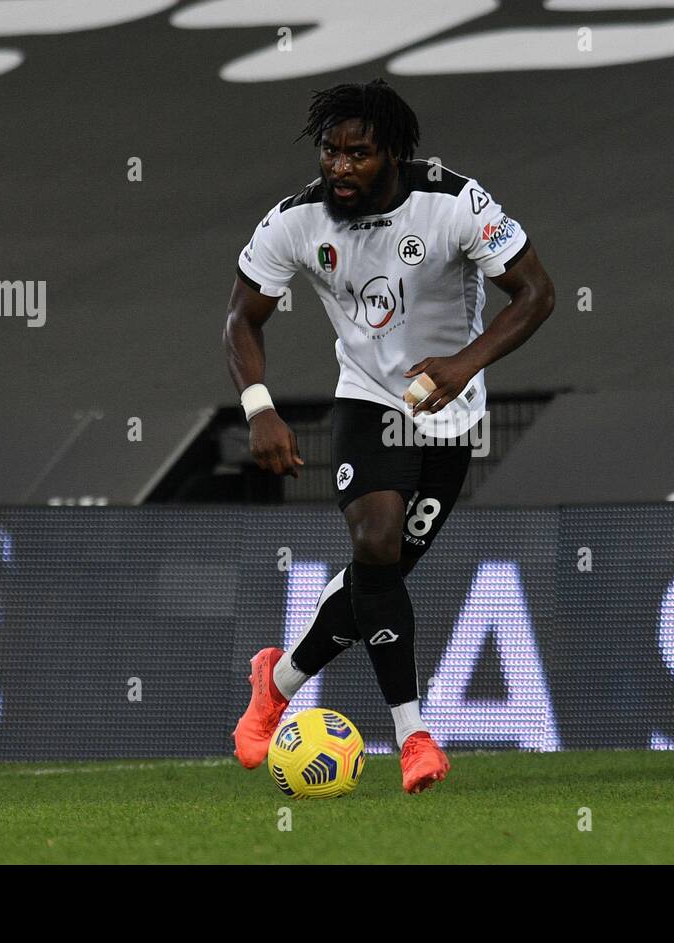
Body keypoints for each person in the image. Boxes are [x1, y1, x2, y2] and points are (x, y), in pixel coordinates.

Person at [224, 78, 554, 793]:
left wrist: (466, 364)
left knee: (381, 578)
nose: (339, 167)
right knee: (375, 541)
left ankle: (275, 680)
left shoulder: (455, 203)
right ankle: (413, 736)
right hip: (369, 398)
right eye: (330, 151)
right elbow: (241, 319)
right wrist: (259, 408)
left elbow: (538, 292)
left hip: (449, 411)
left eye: (359, 153)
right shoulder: (295, 221)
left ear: (394, 155)